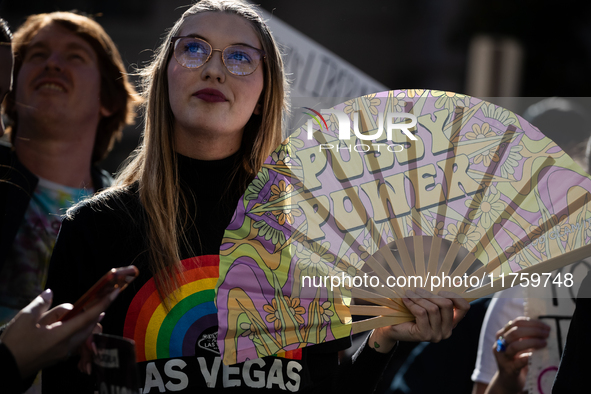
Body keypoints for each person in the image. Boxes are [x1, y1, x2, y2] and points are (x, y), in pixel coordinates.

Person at [43, 1, 470, 392]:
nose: (214, 70)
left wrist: (383, 338)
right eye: (194, 49)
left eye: (241, 57)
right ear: (163, 75)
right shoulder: (92, 230)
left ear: (265, 96)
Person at [0, 17, 121, 394]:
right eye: (36, 55)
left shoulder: (133, 216)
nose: (52, 63)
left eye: (75, 56)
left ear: (107, 100)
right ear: (9, 86)